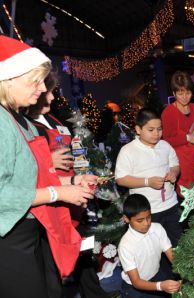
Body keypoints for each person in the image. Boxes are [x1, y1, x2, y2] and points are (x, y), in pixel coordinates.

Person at [0, 35, 95, 297]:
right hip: (8, 239)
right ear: (8, 79)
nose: (43, 89)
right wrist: (59, 193)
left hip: (29, 231)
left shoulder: (21, 121)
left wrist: (72, 183)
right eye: (36, 81)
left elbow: (33, 178)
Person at [27, 72, 113, 298]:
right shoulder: (27, 126)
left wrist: (81, 174)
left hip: (76, 200)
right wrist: (48, 161)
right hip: (52, 204)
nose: (54, 98)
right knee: (56, 268)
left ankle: (94, 293)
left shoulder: (56, 121)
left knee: (85, 252)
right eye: (49, 92)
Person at [115, 108, 182, 246]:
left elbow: (175, 165)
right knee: (154, 251)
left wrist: (173, 173)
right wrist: (147, 182)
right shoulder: (128, 150)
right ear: (138, 129)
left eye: (159, 129)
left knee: (177, 246)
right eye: (151, 130)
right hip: (147, 212)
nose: (156, 134)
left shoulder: (165, 146)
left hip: (171, 206)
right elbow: (120, 179)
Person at [118, 194, 181, 297]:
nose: (146, 223)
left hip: (156, 274)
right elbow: (136, 281)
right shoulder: (125, 245)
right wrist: (160, 286)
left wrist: (185, 270)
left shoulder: (157, 228)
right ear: (126, 218)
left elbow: (172, 255)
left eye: (148, 217)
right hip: (135, 288)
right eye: (140, 220)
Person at [161, 71, 194, 194]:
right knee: (185, 194)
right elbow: (166, 140)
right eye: (180, 93)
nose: (185, 97)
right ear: (174, 93)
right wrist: (186, 138)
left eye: (188, 93)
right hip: (181, 162)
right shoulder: (168, 112)